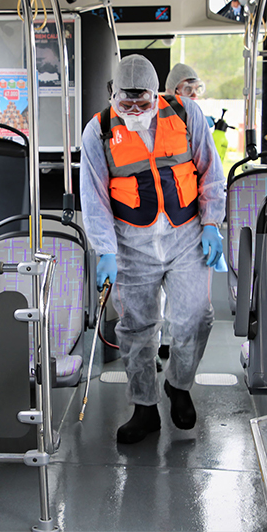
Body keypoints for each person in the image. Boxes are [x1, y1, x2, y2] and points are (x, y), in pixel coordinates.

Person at [80, 54, 225, 444]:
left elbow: (211, 170)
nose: (134, 112)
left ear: (155, 93)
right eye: (125, 105)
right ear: (113, 96)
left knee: (195, 317)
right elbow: (93, 199)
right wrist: (105, 250)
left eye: (142, 104)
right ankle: (144, 407)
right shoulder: (98, 132)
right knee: (136, 329)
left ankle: (178, 384)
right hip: (131, 245)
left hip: (186, 236)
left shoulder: (184, 113)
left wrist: (212, 223)